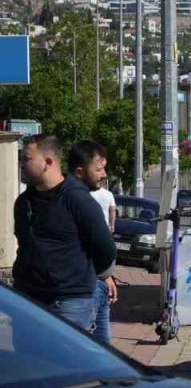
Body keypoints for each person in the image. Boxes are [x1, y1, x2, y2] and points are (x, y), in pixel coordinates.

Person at [13, 134, 116, 331]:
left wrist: (77, 276)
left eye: (26, 159)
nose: (21, 165)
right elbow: (24, 243)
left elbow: (105, 249)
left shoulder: (77, 199)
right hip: (27, 300)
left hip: (68, 304)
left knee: (65, 361)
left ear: (47, 163)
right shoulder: (23, 202)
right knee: (28, 361)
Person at [68, 140, 119, 343]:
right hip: (81, 290)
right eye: (99, 169)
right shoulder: (73, 201)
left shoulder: (93, 196)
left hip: (98, 282)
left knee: (103, 352)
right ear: (80, 172)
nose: (104, 174)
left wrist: (107, 276)